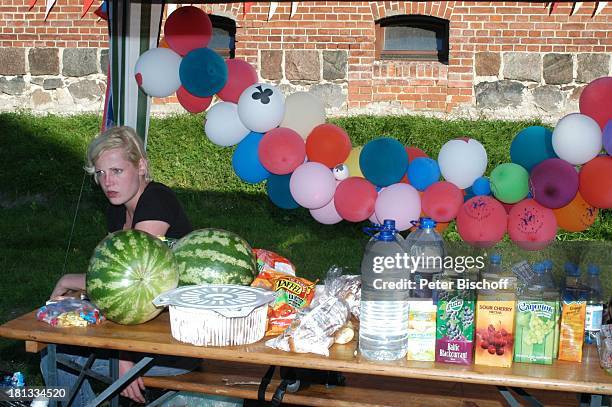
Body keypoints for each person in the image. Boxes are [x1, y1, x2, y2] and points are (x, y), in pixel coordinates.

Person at [43, 126, 196, 405]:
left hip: (180, 342)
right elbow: (108, 279)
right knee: (56, 349)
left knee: (60, 359)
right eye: (100, 173)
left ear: (141, 166)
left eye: (116, 171)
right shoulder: (118, 209)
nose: (107, 182)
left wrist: (123, 356)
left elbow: (130, 289)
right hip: (150, 331)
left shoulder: (156, 200)